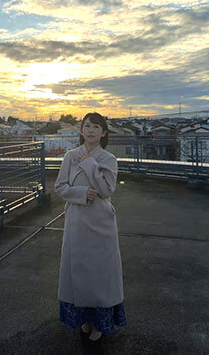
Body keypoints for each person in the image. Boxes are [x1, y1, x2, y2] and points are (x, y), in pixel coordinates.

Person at [55, 112, 126, 344]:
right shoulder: (70, 155)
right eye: (87, 126)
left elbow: (106, 190)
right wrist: (82, 193)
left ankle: (99, 322)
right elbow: (60, 187)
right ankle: (83, 318)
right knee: (78, 270)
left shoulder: (108, 159)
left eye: (96, 127)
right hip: (76, 220)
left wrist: (88, 163)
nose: (91, 130)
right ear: (81, 130)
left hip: (101, 221)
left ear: (104, 132)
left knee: (100, 272)